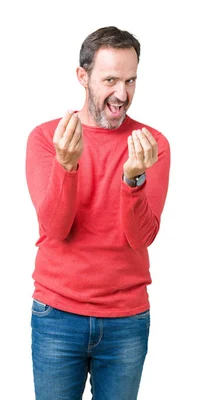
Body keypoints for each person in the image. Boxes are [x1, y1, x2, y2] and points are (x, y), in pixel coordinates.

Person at [25, 26, 170, 399]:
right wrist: (67, 167)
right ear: (83, 77)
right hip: (56, 316)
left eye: (130, 80)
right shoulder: (47, 138)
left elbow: (141, 237)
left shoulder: (151, 144)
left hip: (126, 320)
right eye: (110, 80)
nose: (122, 94)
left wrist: (133, 178)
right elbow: (55, 229)